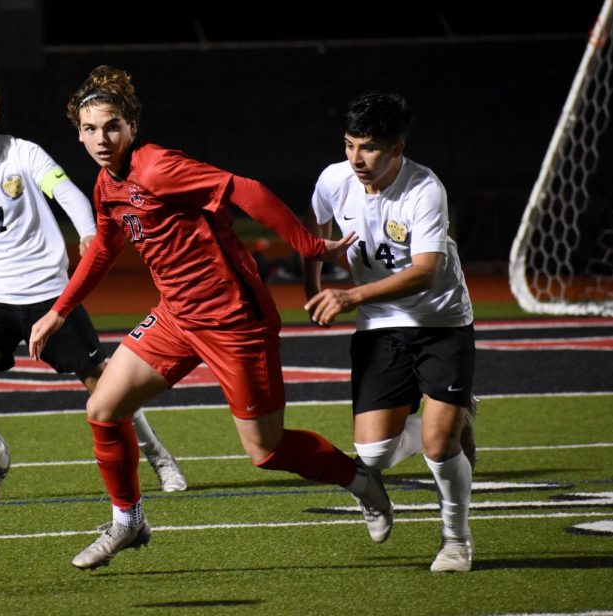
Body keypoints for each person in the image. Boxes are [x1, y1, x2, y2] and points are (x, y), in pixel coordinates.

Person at [29, 65, 393, 570]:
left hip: (234, 321)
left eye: (111, 125)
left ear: (132, 124)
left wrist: (310, 245)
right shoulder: (106, 184)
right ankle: (128, 520)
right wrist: (59, 311)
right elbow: (104, 251)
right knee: (104, 408)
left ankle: (361, 481)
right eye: (89, 129)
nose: (100, 138)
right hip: (176, 318)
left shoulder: (157, 167)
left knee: (266, 452)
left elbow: (246, 189)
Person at [0, 74, 187, 497]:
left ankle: (158, 456)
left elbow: (66, 192)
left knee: (104, 387)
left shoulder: (24, 154)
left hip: (50, 296)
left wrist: (90, 232)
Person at [303, 92, 477, 573]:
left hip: (440, 321)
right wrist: (312, 285)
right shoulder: (334, 180)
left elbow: (425, 270)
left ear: (398, 149)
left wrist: (349, 296)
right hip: (380, 325)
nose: (357, 159)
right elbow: (314, 235)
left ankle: (456, 540)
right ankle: (452, 420)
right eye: (349, 144)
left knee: (441, 449)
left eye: (370, 148)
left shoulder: (425, 190)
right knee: (373, 454)